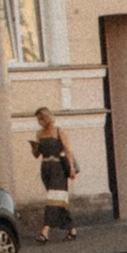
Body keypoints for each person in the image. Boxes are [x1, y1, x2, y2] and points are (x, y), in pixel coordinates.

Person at [29, 104, 75, 244]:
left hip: (58, 168)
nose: (39, 123)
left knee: (53, 199)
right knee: (59, 200)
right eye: (38, 120)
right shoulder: (39, 133)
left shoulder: (59, 131)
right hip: (46, 168)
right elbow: (37, 155)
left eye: (40, 119)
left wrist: (71, 168)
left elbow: (67, 151)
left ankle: (45, 231)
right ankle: (72, 229)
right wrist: (34, 148)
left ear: (46, 119)